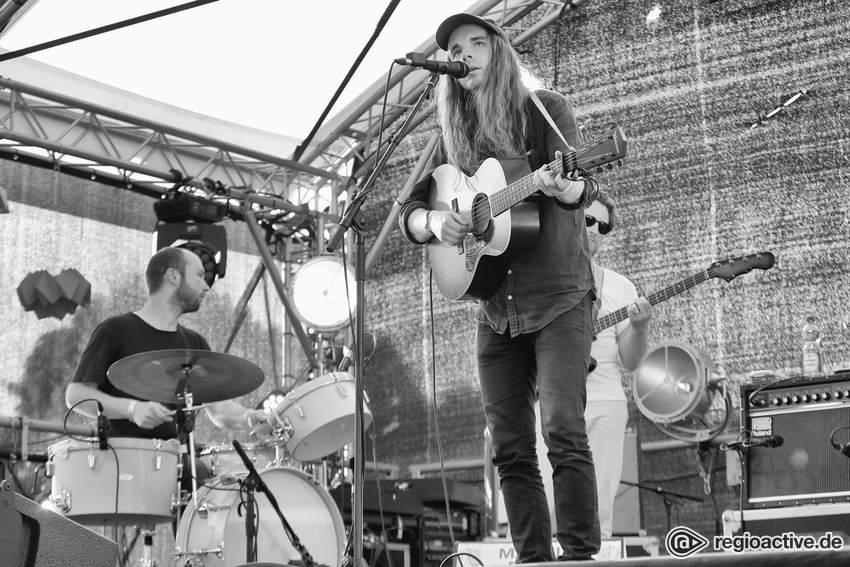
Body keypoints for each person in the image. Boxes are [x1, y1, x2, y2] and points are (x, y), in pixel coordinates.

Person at [399, 13, 600, 562]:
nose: (464, 54)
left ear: (500, 50)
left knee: (561, 426)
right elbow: (411, 215)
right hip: (497, 309)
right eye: (455, 49)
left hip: (559, 295)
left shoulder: (545, 109)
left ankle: (580, 554)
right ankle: (534, 559)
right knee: (509, 447)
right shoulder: (453, 135)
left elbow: (585, 188)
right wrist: (438, 225)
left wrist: (564, 188)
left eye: (475, 43)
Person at [66, 247, 268, 476]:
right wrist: (131, 409)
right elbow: (76, 396)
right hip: (122, 467)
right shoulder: (115, 330)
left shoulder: (195, 343)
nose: (206, 286)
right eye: (199, 275)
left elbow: (217, 408)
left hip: (176, 465)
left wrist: (249, 417)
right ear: (173, 276)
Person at [537, 189, 653, 539]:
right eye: (588, 220)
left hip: (605, 401)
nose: (594, 231)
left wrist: (639, 328)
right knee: (545, 499)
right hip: (549, 400)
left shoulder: (619, 286)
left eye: (603, 227)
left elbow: (632, 362)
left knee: (598, 508)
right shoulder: (538, 277)